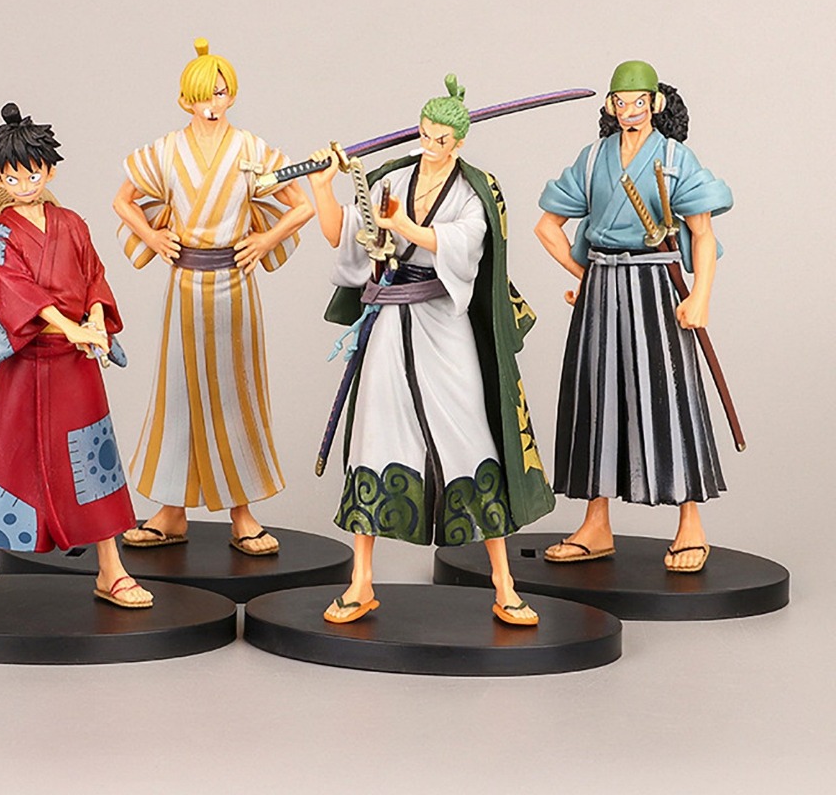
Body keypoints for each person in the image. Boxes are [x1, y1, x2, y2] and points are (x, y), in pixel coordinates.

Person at [308, 75, 554, 624]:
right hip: (390, 324)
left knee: (470, 437)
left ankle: (504, 583)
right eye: (425, 133)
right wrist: (325, 188)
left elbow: (464, 244)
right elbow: (343, 235)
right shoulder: (392, 177)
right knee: (374, 436)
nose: (430, 144)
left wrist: (406, 226)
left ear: (459, 142)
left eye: (441, 138)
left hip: (444, 321)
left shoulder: (474, 190)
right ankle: (361, 581)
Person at [0, 103, 152, 608]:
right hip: (28, 361)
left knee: (94, 462)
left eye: (32, 173)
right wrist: (69, 326)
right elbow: (15, 291)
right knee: (2, 457)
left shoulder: (73, 224)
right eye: (12, 176)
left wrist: (94, 319)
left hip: (76, 364)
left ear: (50, 171)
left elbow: (94, 275)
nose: (24, 184)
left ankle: (111, 569)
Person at [114, 39, 313, 555]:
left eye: (221, 93)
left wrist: (265, 240)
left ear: (233, 95)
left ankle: (242, 513)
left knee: (235, 394)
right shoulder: (166, 150)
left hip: (235, 288)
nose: (213, 103)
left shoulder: (250, 149)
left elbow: (301, 204)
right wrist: (153, 236)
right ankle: (170, 510)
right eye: (204, 95)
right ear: (185, 99)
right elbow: (123, 200)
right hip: (184, 286)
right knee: (177, 396)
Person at [535, 60, 733, 573]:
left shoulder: (675, 157)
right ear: (610, 106)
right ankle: (595, 523)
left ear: (655, 103)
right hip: (602, 287)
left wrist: (701, 296)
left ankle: (691, 523)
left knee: (670, 397)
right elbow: (547, 226)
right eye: (620, 103)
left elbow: (703, 233)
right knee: (595, 399)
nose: (629, 111)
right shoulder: (592, 159)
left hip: (656, 286)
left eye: (638, 102)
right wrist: (585, 275)